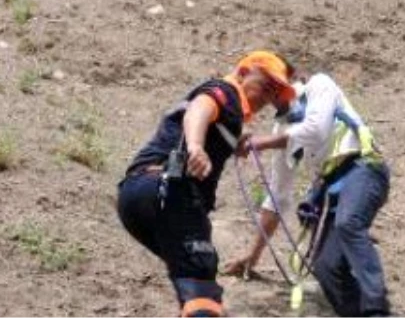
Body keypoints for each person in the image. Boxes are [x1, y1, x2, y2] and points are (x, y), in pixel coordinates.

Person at [116, 51, 297, 318]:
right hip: (167, 191)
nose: (268, 98)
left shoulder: (231, 116)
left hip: (135, 195)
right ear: (244, 73)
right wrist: (196, 146)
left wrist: (231, 140)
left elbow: (211, 119)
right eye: (266, 86)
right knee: (199, 270)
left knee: (195, 277)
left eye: (274, 94)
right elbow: (200, 108)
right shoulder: (225, 92)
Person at [224, 70, 391, 318]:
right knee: (326, 267)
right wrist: (253, 255)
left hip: (362, 168)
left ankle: (378, 309)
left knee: (348, 223)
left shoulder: (319, 86)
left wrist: (264, 142)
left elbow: (316, 130)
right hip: (331, 188)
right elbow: (277, 196)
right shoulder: (281, 127)